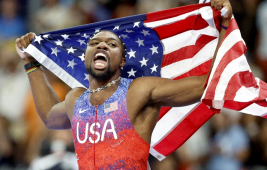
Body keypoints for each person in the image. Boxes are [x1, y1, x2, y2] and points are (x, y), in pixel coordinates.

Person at [15, 0, 232, 169]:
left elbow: (207, 85)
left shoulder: (138, 90)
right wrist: (31, 63)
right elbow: (50, 117)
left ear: (122, 61)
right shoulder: (76, 99)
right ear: (85, 57)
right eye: (94, 43)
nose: (102, 45)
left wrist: (224, 27)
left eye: (111, 44)